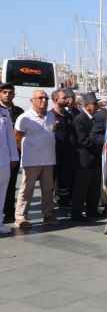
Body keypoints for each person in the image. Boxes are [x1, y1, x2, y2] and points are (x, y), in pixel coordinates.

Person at [14, 90, 57, 228]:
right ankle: (21, 217)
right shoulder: (24, 117)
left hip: (48, 160)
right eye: (40, 98)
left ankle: (48, 214)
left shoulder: (51, 115)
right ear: (32, 100)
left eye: (46, 98)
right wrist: (24, 152)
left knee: (48, 190)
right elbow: (17, 137)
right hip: (31, 160)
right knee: (26, 189)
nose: (44, 100)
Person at [71, 93, 102, 221]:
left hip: (95, 159)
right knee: (81, 188)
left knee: (94, 187)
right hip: (84, 159)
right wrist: (99, 144)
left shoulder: (95, 118)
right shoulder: (79, 119)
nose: (97, 107)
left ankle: (92, 211)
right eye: (95, 104)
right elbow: (82, 140)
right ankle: (77, 213)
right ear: (87, 105)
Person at [0, 83, 23, 223]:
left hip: (10, 155)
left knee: (9, 186)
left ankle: (7, 215)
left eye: (10, 92)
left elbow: (14, 135)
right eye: (4, 92)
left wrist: (14, 155)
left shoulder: (17, 111)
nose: (7, 95)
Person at [51, 88, 76, 207]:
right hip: (54, 154)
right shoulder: (50, 115)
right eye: (64, 98)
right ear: (56, 99)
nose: (67, 100)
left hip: (68, 153)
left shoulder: (68, 115)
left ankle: (64, 201)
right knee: (52, 180)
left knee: (65, 179)